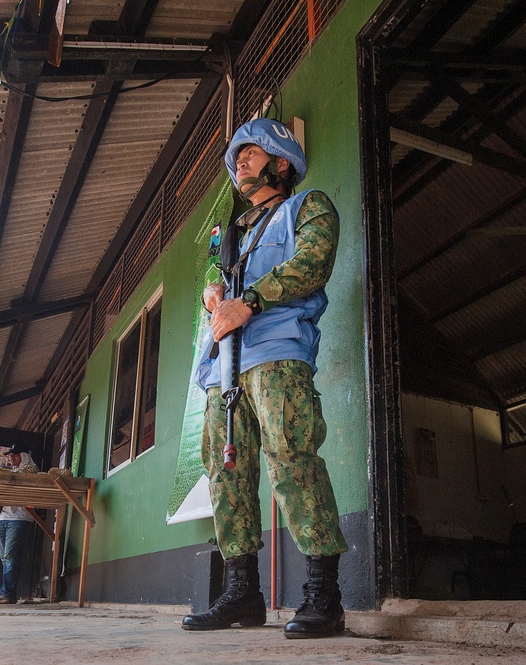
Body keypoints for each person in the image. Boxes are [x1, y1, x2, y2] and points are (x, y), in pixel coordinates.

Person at [182, 117, 348, 638]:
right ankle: (242, 593)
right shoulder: (232, 234)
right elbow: (218, 288)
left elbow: (313, 264)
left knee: (290, 456)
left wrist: (248, 302)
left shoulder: (308, 205)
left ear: (281, 162)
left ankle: (324, 594)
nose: (239, 162)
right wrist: (214, 296)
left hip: (277, 354)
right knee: (225, 471)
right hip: (222, 364)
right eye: (236, 158)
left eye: (249, 152)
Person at [0, 445, 39, 604]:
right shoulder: (11, 473)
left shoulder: (31, 471)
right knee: (5, 558)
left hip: (18, 519)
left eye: (14, 455)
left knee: (10, 556)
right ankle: (6, 593)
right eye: (9, 456)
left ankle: (7, 593)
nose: (11, 458)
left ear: (24, 455)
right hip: (3, 518)